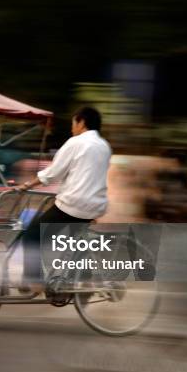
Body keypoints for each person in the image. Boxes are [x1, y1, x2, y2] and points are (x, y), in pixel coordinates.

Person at [13, 107, 112, 293]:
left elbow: (53, 173)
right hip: (95, 205)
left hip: (74, 203)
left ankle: (35, 281)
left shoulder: (76, 142)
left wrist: (26, 186)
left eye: (73, 123)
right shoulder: (104, 146)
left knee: (32, 237)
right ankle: (86, 280)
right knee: (76, 242)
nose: (72, 128)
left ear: (81, 122)